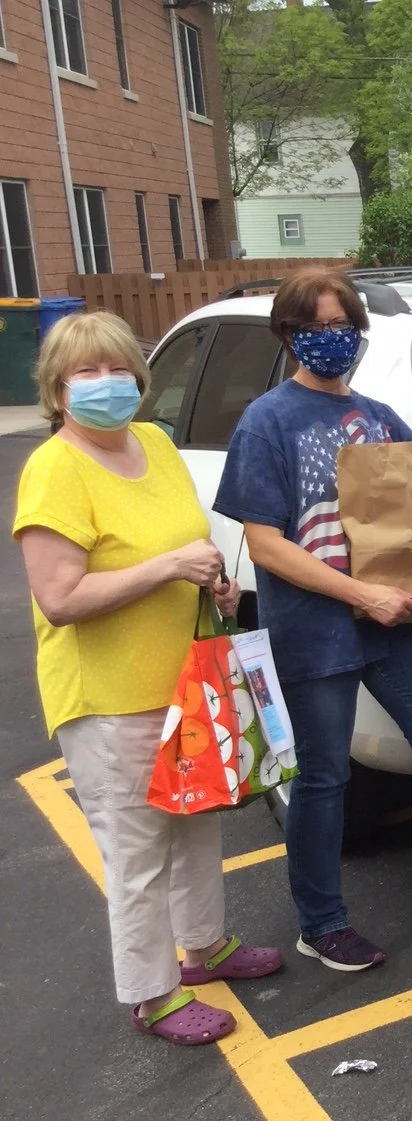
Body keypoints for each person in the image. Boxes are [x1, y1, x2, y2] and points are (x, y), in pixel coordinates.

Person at [214, 268, 412, 973]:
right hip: (318, 629)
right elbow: (265, 544)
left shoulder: (379, 418)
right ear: (290, 335)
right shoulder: (268, 421)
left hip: (397, 624)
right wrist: (361, 596)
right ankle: (320, 923)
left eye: (344, 326)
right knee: (324, 779)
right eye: (318, 328)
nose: (334, 340)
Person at [14, 312, 283, 1046]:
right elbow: (60, 600)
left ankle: (204, 948)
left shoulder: (155, 443)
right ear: (56, 389)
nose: (107, 385)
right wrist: (167, 568)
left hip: (182, 684)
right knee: (136, 853)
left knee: (194, 825)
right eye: (85, 373)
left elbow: (186, 540)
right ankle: (152, 994)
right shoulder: (56, 470)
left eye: (119, 369)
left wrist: (213, 581)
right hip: (108, 698)